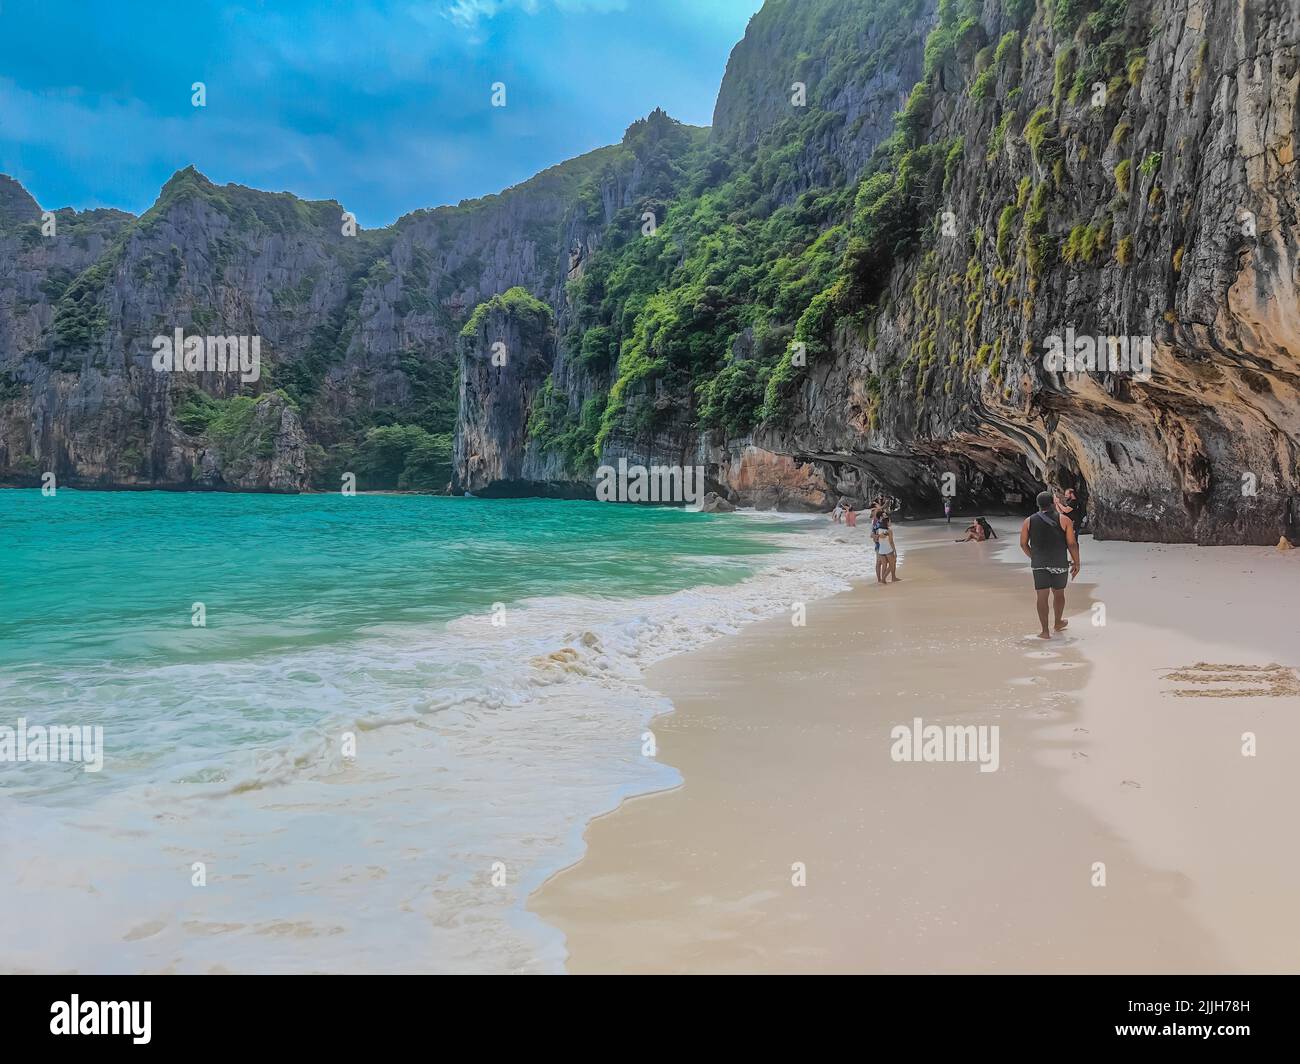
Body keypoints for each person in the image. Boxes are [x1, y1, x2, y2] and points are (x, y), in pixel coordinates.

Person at [1020, 490, 1081, 639]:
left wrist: (1034, 557)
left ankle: (1045, 631)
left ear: (1038, 505)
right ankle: (1058, 622)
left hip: (1039, 563)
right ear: (1053, 503)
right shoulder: (1064, 520)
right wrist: (1076, 562)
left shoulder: (1028, 521)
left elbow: (1023, 544)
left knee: (1042, 596)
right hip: (1059, 562)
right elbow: (1072, 544)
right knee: (1059, 593)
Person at [875, 513, 900, 582]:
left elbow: (876, 539)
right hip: (888, 549)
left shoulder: (879, 529)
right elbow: (891, 542)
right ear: (887, 522)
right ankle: (884, 579)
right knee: (893, 563)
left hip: (881, 550)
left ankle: (884, 579)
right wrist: (895, 551)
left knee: (884, 565)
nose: (890, 522)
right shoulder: (889, 531)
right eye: (890, 521)